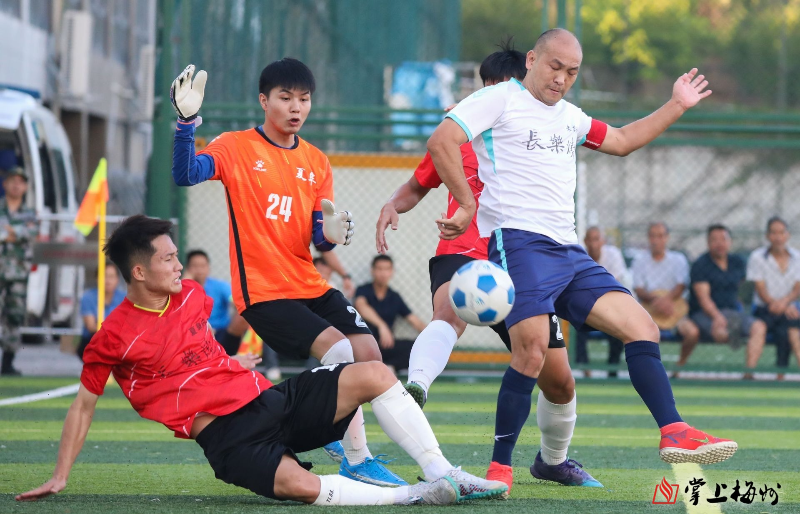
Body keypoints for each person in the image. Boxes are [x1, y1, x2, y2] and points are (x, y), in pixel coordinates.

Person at [14, 215, 507, 506]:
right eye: (168, 259)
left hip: (270, 401)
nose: (179, 264)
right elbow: (83, 405)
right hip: (227, 438)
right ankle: (413, 497)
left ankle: (442, 472)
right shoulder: (112, 338)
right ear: (139, 272)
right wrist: (61, 475)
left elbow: (203, 343)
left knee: (374, 371)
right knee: (300, 486)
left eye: (176, 255)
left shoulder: (193, 294)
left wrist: (233, 359)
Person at [427, 27, 736, 478]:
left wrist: (676, 105)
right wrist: (467, 204)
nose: (562, 78)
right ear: (532, 59)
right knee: (531, 352)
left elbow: (622, 141)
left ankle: (674, 431)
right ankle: (499, 469)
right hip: (519, 243)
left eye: (572, 72)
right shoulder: (499, 98)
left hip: (569, 252)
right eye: (555, 67)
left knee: (642, 327)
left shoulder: (570, 116)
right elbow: (441, 142)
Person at [376, 39, 602, 492]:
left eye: (502, 88)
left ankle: (553, 460)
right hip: (464, 251)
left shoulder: (539, 135)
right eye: (486, 89)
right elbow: (418, 184)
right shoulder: (456, 138)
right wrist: (391, 205)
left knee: (559, 381)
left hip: (522, 263)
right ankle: (415, 387)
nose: (492, 99)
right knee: (448, 314)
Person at [170, 58, 401, 485]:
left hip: (308, 283)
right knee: (340, 351)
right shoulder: (235, 146)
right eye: (286, 98)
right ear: (264, 101)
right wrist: (186, 123)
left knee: (369, 352)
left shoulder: (316, 161)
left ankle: (336, 429)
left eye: (304, 99)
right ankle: (357, 458)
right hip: (264, 291)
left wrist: (331, 234)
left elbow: (319, 240)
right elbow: (185, 174)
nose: (296, 107)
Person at [684, 225, 767, 368]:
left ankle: (749, 372)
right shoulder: (701, 265)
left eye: (723, 239)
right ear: (708, 243)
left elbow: (745, 286)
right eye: (715, 240)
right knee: (721, 334)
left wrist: (740, 303)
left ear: (730, 242)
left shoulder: (737, 262)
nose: (719, 243)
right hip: (704, 314)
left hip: (732, 313)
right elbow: (704, 298)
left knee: (759, 327)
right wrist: (717, 317)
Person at [631, 222, 697, 368]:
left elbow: (681, 285)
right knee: (640, 335)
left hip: (674, 310)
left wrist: (666, 301)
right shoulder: (640, 260)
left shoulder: (678, 259)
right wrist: (657, 301)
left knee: (692, 333)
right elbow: (639, 289)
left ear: (667, 238)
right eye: (653, 236)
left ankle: (679, 367)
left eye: (660, 236)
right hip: (649, 310)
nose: (656, 240)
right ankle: (648, 369)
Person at [745, 217, 800, 375]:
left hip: (789, 308)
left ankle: (780, 376)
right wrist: (777, 304)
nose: (778, 237)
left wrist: (785, 303)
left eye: (781, 233)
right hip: (765, 309)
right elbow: (760, 288)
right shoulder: (757, 257)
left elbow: (797, 288)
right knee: (761, 328)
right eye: (774, 233)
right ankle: (748, 374)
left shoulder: (797, 257)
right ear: (767, 236)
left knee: (791, 331)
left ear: (787, 235)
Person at [354, 255, 426, 372]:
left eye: (387, 269)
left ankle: (389, 366)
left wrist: (433, 337)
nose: (383, 273)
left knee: (417, 347)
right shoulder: (363, 290)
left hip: (386, 345)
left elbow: (413, 320)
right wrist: (382, 326)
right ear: (372, 271)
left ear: (392, 272)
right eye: (379, 269)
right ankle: (383, 366)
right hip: (365, 344)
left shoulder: (394, 297)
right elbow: (361, 306)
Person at [0, 166, 38, 376]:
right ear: (5, 184)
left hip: (17, 274)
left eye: (20, 182)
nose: (16, 185)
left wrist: (9, 232)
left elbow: (32, 231)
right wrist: (16, 233)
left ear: (25, 187)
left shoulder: (29, 213)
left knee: (14, 316)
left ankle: (7, 362)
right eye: (12, 180)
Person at [575, 227, 626, 375]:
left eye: (596, 239)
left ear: (603, 241)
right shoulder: (580, 256)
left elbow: (614, 284)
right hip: (587, 307)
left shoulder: (613, 255)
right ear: (585, 241)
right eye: (590, 239)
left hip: (612, 306)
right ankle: (585, 369)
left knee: (618, 330)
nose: (593, 244)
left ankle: (612, 371)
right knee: (577, 327)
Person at [76, 265, 126, 361]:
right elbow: (91, 327)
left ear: (117, 280)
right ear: (97, 278)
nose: (108, 281)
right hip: (93, 340)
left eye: (111, 277)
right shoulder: (88, 297)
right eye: (104, 276)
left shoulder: (124, 298)